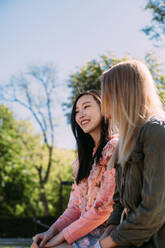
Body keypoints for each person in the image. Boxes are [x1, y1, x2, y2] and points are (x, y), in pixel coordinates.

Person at [31, 90, 118, 248]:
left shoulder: (114, 148)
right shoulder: (83, 161)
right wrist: (51, 232)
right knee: (39, 245)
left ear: (103, 108)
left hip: (108, 233)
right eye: (77, 111)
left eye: (86, 107)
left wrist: (61, 237)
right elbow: (75, 207)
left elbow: (104, 208)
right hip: (84, 230)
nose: (80, 114)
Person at [96, 60, 165, 248]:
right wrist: (110, 229)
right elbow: (119, 202)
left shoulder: (156, 132)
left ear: (123, 96)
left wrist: (106, 243)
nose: (105, 109)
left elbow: (154, 211)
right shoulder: (125, 141)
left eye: (108, 97)